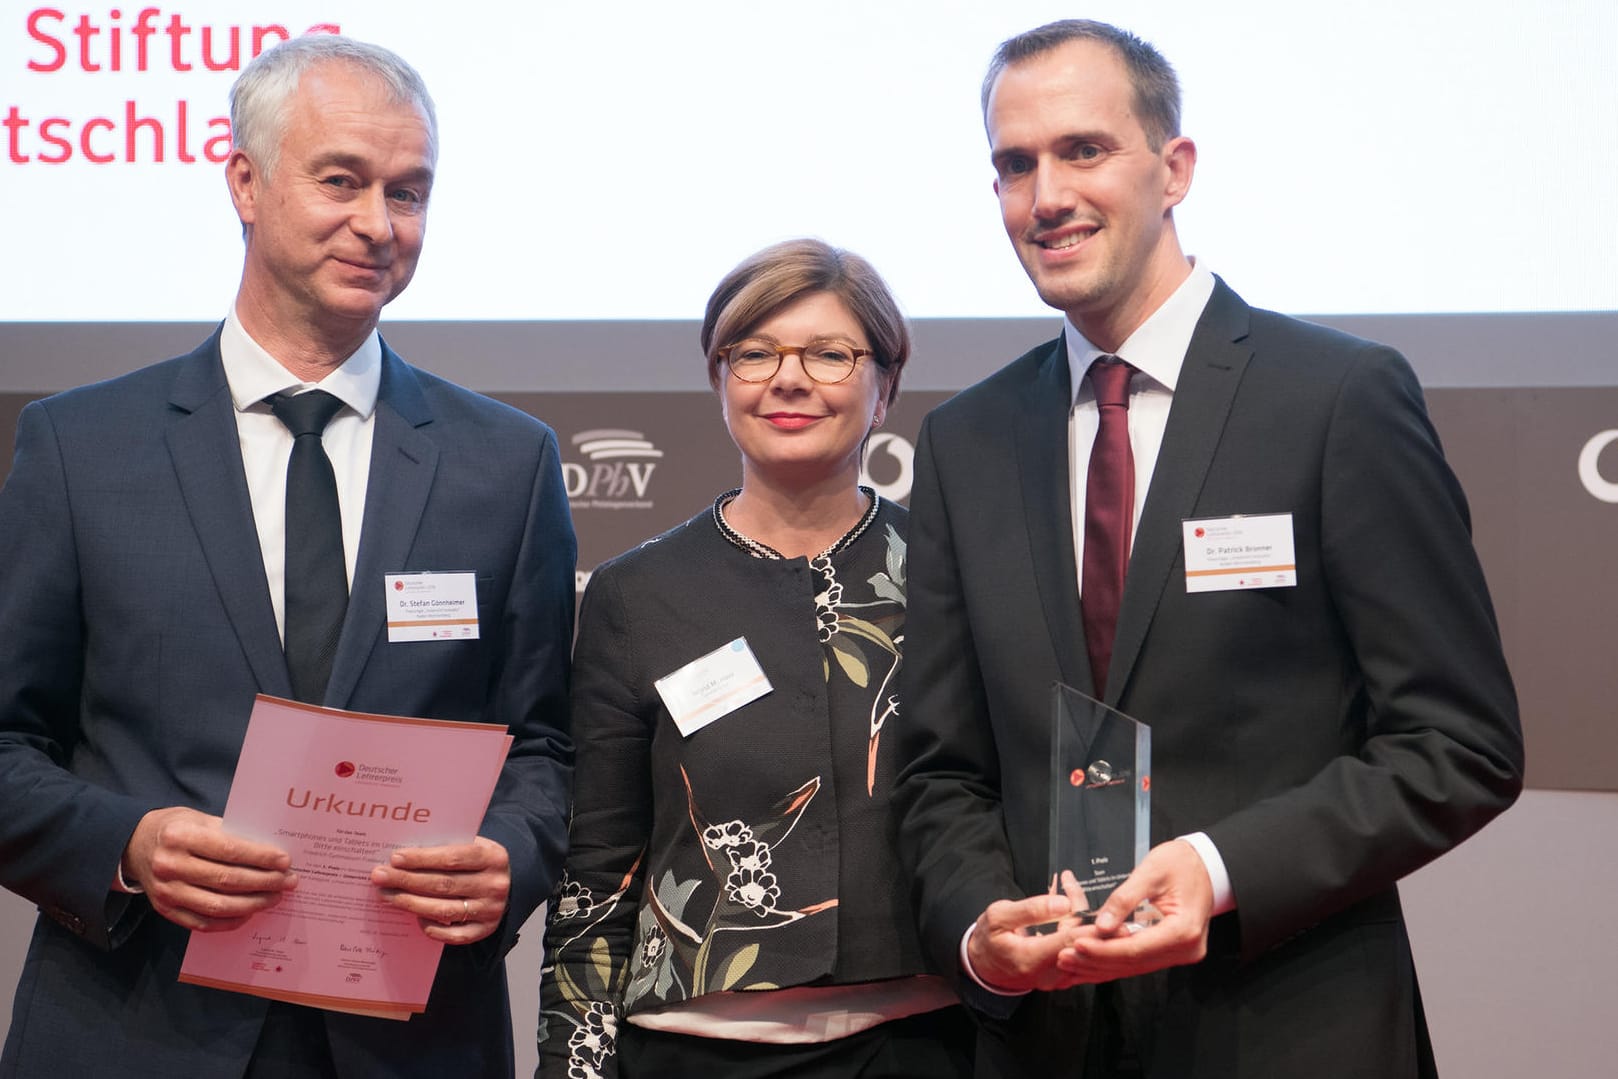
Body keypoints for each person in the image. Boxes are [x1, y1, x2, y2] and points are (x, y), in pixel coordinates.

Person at [892, 19, 1524, 1078]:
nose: (1043, 195)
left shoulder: (1335, 398)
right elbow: (940, 771)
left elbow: (1457, 742)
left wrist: (1219, 865)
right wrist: (980, 934)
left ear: (1173, 168)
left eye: (1081, 150)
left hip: (1289, 1024)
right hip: (1045, 1044)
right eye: (1013, 164)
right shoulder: (965, 439)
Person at [0, 34, 575, 1078]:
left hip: (413, 1040)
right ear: (246, 182)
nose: (377, 223)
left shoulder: (508, 462)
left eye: (408, 193)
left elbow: (545, 745)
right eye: (341, 180)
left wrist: (511, 857)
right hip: (133, 1031)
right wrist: (123, 845)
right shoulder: (83, 447)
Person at [539, 239, 970, 1078]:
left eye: (830, 354)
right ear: (719, 379)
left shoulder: (953, 577)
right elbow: (598, 873)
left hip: (928, 1049)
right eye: (755, 353)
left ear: (886, 384)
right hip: (698, 1054)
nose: (789, 378)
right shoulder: (636, 594)